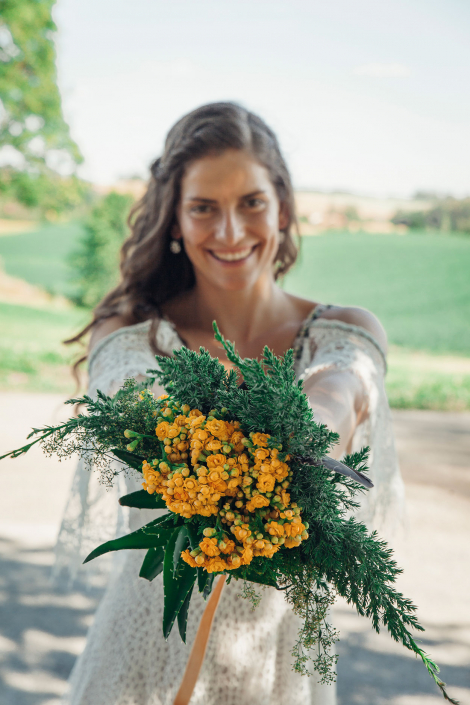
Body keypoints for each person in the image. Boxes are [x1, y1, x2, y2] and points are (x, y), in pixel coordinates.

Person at [56, 102, 404, 705]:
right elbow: (135, 396)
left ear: (284, 208)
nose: (230, 232)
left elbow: (342, 388)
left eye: (251, 203)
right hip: (137, 671)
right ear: (173, 220)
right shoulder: (132, 334)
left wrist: (310, 423)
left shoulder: (343, 331)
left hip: (276, 676)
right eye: (203, 208)